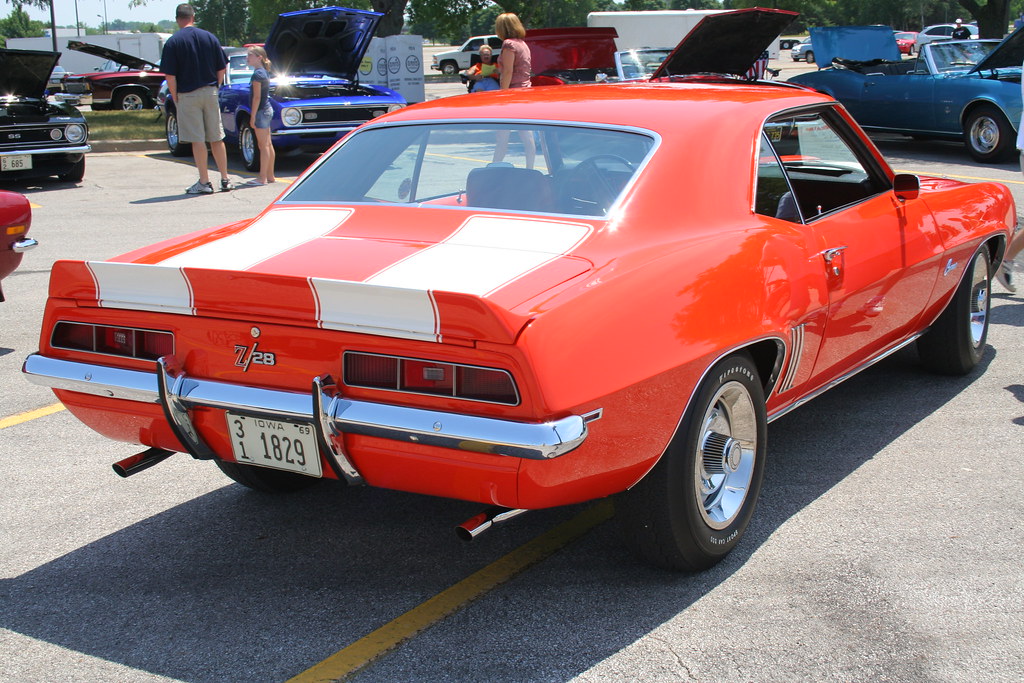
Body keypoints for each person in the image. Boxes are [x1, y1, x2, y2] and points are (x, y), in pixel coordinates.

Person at [161, 3, 231, 194]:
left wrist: (175, 97)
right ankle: (225, 179)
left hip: (187, 94)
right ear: (193, 17)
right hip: (210, 91)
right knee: (217, 137)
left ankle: (204, 182)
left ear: (178, 19)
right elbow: (221, 67)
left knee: (197, 140)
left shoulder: (173, 42)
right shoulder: (209, 37)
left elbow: (170, 75)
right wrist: (215, 86)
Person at [492, 12, 535, 168]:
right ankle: (530, 167)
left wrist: (503, 94)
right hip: (525, 91)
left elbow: (508, 71)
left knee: (502, 135)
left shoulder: (509, 44)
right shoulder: (523, 44)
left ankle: (494, 166)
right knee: (526, 133)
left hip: (512, 93)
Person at [243, 46, 276, 186]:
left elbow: (256, 97)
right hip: (267, 109)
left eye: (250, 55)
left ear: (259, 57)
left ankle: (262, 178)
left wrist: (252, 115)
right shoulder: (264, 72)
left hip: (261, 110)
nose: (247, 58)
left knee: (263, 146)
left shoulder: (257, 74)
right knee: (268, 144)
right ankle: (270, 176)